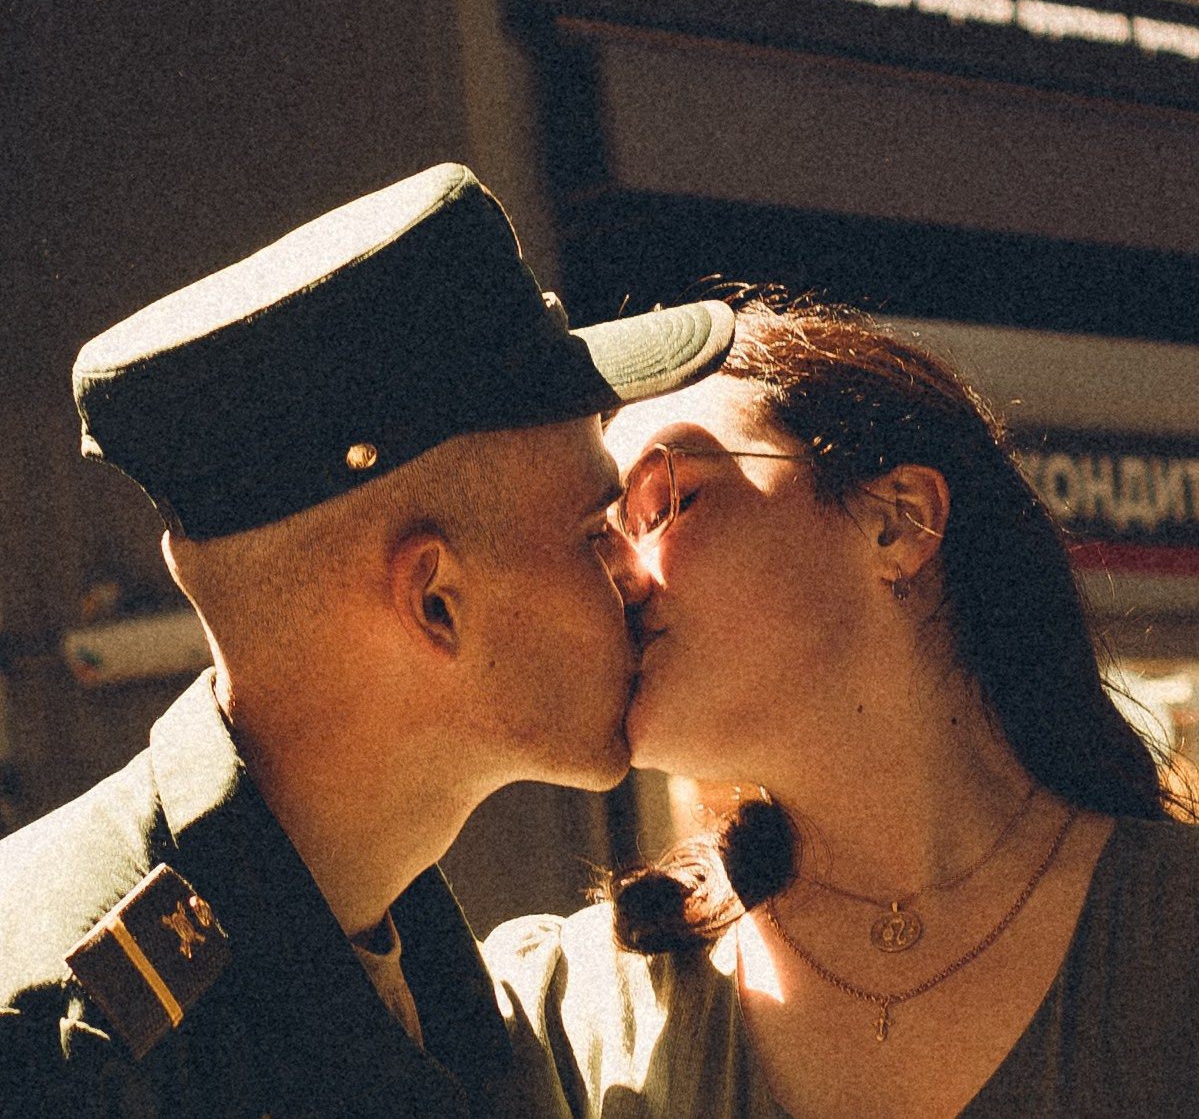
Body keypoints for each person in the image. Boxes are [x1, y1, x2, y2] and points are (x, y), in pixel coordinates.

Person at [0, 162, 735, 1118]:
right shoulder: (68, 1050)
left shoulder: (401, 941)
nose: (639, 573)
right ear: (436, 603)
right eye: (596, 530)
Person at [487, 288, 1199, 1119]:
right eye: (595, 538)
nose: (617, 578)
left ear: (896, 522)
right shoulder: (572, 1010)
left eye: (664, 503)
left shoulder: (1168, 941)